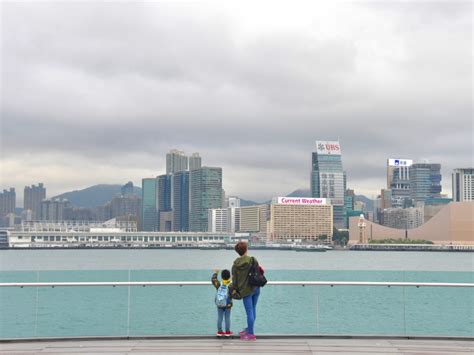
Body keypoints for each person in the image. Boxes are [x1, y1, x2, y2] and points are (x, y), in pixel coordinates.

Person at [231, 241, 261, 341]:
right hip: (256, 287)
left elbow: (234, 281)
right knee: (253, 310)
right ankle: (249, 330)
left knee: (249, 312)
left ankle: (251, 334)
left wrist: (234, 290)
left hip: (245, 291)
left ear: (237, 252)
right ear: (246, 250)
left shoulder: (235, 265)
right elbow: (259, 272)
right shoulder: (252, 260)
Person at [211, 269, 233, 337]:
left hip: (220, 302)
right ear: (229, 276)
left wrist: (216, 273)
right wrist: (232, 278)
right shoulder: (231, 284)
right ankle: (227, 332)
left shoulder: (219, 284)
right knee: (227, 318)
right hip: (228, 303)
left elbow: (213, 279)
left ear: (222, 277)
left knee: (219, 317)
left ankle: (219, 332)